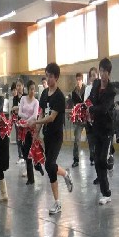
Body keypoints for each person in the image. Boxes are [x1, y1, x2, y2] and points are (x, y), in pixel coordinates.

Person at [31, 63, 73, 215]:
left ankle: (65, 177)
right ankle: (58, 200)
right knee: (50, 168)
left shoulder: (59, 97)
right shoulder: (44, 94)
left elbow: (51, 117)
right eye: (46, 76)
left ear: (56, 77)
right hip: (47, 136)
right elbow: (42, 113)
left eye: (50, 76)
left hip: (56, 136)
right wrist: (36, 132)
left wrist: (36, 122)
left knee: (49, 164)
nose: (48, 79)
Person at [87, 58, 116, 205]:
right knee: (97, 159)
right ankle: (105, 192)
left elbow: (104, 108)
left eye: (105, 71)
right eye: (101, 70)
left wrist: (91, 108)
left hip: (107, 130)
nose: (102, 74)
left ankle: (106, 193)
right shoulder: (96, 84)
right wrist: (84, 107)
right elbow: (90, 99)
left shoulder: (111, 90)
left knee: (102, 159)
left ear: (109, 73)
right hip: (96, 128)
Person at [19, 80, 39, 185]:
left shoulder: (36, 102)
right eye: (31, 89)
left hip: (31, 129)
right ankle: (32, 172)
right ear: (27, 89)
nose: (32, 91)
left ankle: (31, 177)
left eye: (34, 89)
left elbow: (35, 116)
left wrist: (26, 121)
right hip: (22, 129)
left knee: (29, 152)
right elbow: (19, 112)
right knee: (24, 151)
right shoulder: (23, 99)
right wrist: (26, 118)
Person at [71, 73, 86, 168]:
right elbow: (74, 105)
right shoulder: (74, 92)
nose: (78, 81)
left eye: (79, 79)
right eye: (77, 79)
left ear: (82, 80)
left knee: (92, 139)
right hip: (78, 119)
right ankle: (76, 159)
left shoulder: (87, 89)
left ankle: (93, 158)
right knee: (77, 139)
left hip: (87, 117)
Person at [84, 67, 98, 166]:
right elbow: (85, 101)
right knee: (90, 138)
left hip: (97, 118)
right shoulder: (88, 88)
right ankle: (92, 156)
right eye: (91, 76)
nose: (93, 77)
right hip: (88, 118)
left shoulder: (100, 88)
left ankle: (97, 156)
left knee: (97, 138)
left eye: (94, 75)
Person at [12, 79, 26, 164]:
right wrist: (20, 107)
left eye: (20, 85)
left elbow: (26, 108)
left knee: (25, 138)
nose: (18, 87)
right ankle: (20, 156)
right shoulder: (15, 98)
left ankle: (26, 155)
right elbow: (14, 108)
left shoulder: (26, 96)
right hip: (17, 121)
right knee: (18, 139)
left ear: (23, 86)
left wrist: (19, 108)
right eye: (17, 86)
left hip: (25, 121)